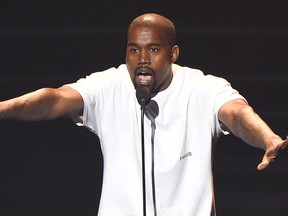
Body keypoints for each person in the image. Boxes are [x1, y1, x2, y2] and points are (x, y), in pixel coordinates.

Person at [0, 13, 287, 216]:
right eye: (133, 50)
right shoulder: (109, 85)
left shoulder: (203, 87)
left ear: (173, 53)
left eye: (153, 49)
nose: (142, 60)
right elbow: (53, 100)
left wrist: (267, 138)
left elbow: (237, 114)